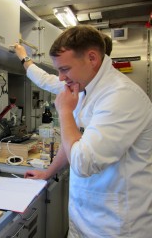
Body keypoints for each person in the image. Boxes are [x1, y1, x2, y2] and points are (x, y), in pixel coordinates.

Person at [14, 25, 152, 237]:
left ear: (92, 58)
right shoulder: (85, 86)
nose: (60, 78)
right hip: (84, 219)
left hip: (115, 226)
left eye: (65, 69)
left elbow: (83, 162)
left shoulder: (121, 96)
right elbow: (74, 142)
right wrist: (48, 173)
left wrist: (64, 112)